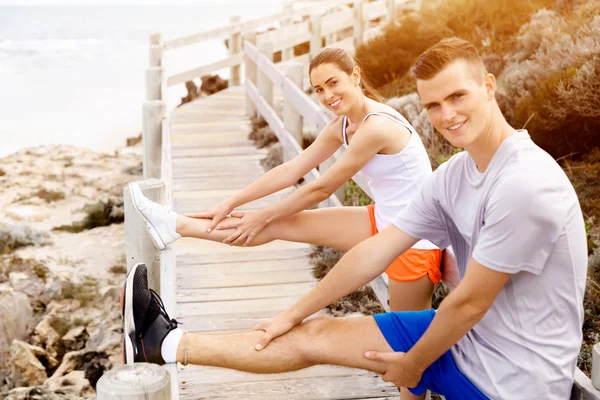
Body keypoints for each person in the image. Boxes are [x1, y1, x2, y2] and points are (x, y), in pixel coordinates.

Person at [122, 37, 588, 399]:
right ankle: (162, 343)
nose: (446, 116)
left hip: (511, 380)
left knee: (392, 361)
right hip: (469, 340)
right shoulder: (454, 175)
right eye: (432, 105)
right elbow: (375, 248)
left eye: (457, 97)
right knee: (313, 332)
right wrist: (292, 313)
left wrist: (414, 363)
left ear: (489, 87)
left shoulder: (525, 185)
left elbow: (467, 304)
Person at [128, 47, 443, 397]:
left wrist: (264, 212)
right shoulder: (345, 124)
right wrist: (234, 201)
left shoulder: (377, 127)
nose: (327, 95)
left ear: (355, 76)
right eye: (319, 89)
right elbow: (293, 169)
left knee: (407, 355)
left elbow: (321, 187)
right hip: (385, 220)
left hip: (416, 244)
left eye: (333, 83)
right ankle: (175, 225)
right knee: (273, 225)